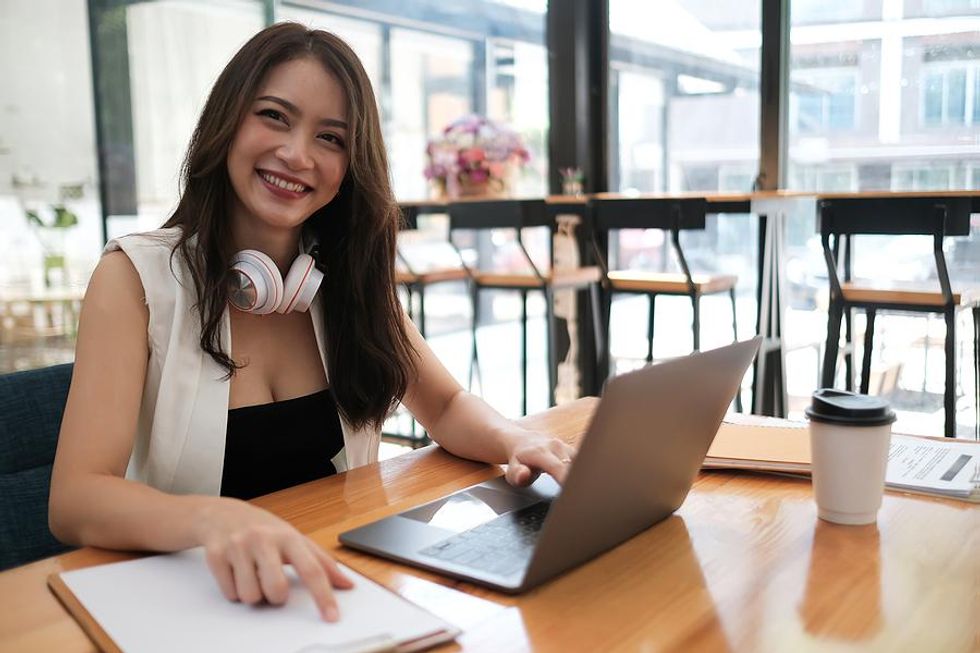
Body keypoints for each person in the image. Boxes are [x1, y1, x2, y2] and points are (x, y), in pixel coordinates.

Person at [48, 22, 575, 623]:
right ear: (226, 124)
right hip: (188, 604)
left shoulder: (343, 280)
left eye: (331, 138)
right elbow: (75, 497)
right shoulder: (134, 278)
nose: (298, 155)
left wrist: (516, 438)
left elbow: (447, 406)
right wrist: (213, 518)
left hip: (328, 594)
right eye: (274, 116)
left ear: (352, 165)